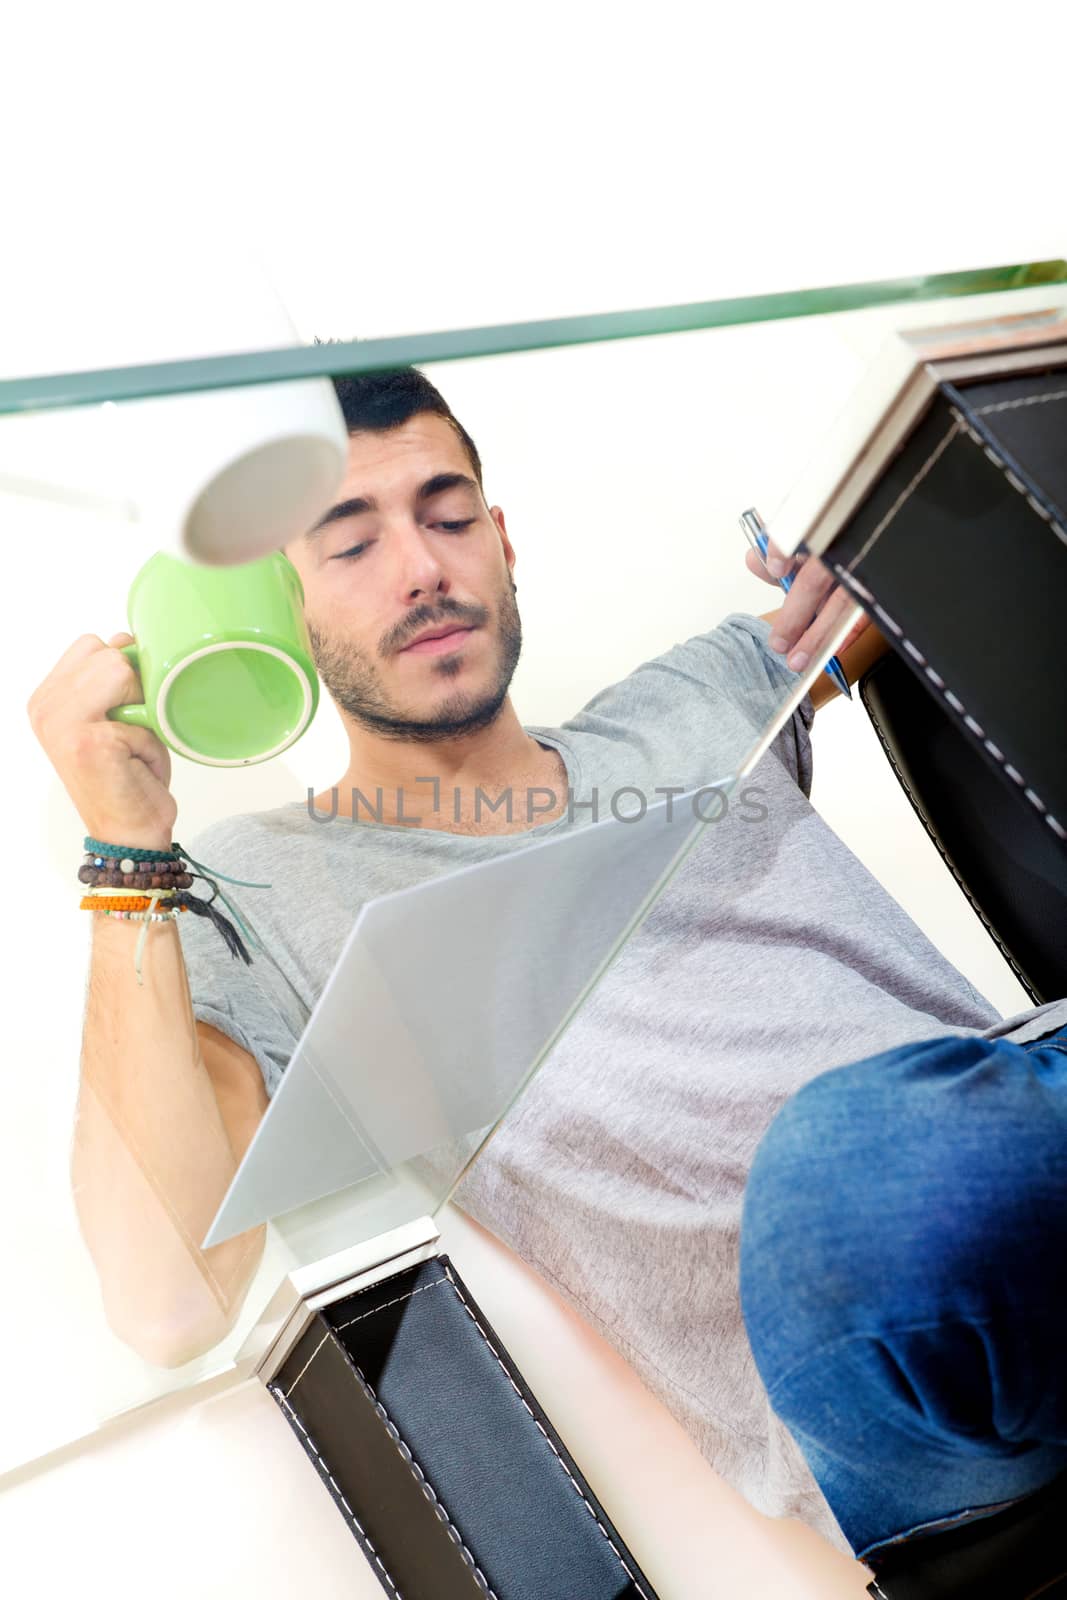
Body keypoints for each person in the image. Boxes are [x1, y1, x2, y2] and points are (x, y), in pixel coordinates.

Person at [28, 366, 1067, 1565]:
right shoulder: (262, 894)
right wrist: (123, 859)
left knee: (928, 1124)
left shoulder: (696, 698)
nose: (423, 568)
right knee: (861, 1162)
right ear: (281, 615)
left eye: (448, 514)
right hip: (879, 1338)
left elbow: (934, 534)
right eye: (351, 545)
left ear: (502, 540)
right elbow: (165, 1305)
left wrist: (884, 515)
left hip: (1016, 1157)